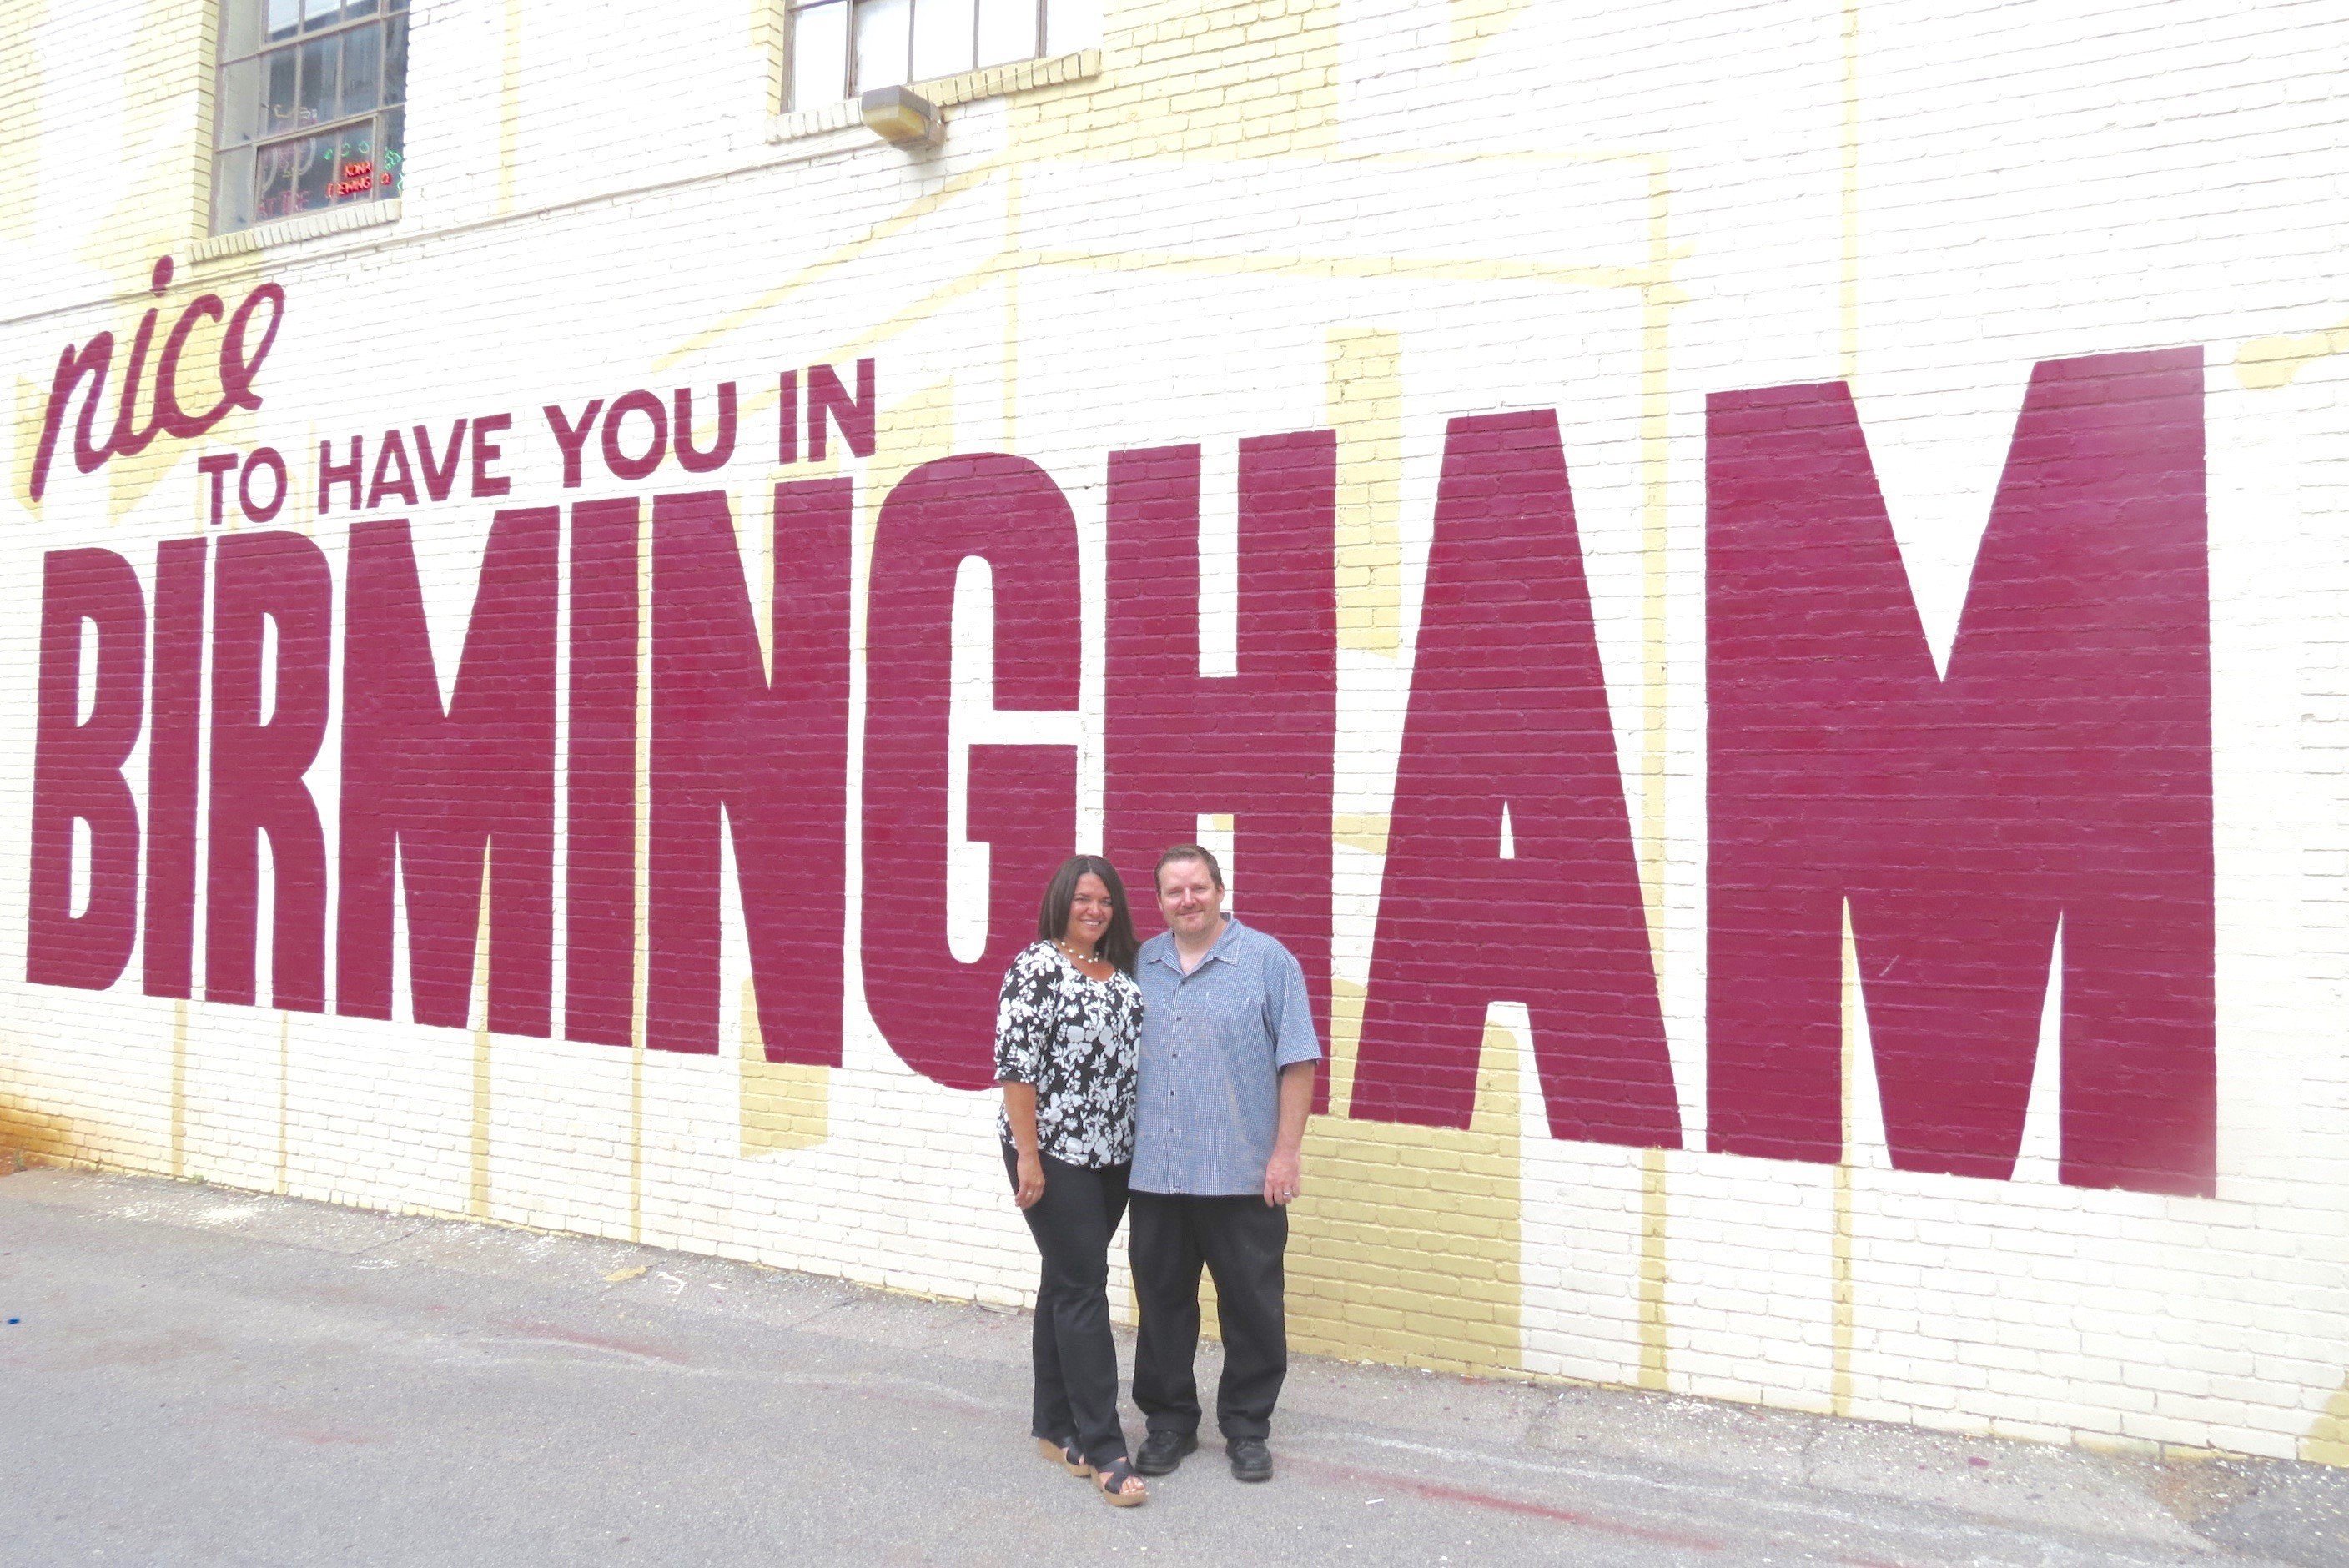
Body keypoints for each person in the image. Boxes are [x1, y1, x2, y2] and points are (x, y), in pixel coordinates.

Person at [1127, 844, 1320, 1484]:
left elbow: (1297, 1062)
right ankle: (1169, 1422)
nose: (1188, 900)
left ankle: (1246, 1426)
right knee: (1162, 1306)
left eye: (1198, 887)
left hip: (1242, 1175)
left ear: (1220, 888)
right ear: (1159, 902)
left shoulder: (1268, 962)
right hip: (1158, 1174)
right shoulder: (1140, 964)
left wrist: (1284, 1154)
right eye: (1174, 891)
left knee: (1253, 1307)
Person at [994, 854, 1150, 1507]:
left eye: (1106, 901)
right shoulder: (1036, 967)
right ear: (1062, 901)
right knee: (1085, 1288)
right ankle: (1105, 1447)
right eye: (1084, 898)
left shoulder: (1122, 972)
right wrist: (1029, 1157)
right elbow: (1016, 1070)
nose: (1095, 910)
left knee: (1064, 1279)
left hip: (1113, 1155)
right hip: (1054, 1154)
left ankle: (1053, 1426)